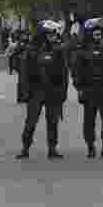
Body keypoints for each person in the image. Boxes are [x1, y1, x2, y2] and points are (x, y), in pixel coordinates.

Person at [16, 20, 69, 160]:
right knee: (31, 121)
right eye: (50, 34)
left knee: (53, 122)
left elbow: (64, 73)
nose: (54, 37)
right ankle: (25, 148)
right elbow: (24, 73)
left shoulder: (58, 50)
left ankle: (52, 149)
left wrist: (63, 92)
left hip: (53, 91)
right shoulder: (31, 50)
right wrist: (25, 93)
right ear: (43, 34)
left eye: (54, 34)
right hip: (36, 91)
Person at [72, 17, 103, 159]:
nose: (98, 36)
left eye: (100, 34)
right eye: (96, 34)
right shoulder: (82, 51)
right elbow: (76, 72)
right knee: (89, 121)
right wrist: (80, 88)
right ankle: (91, 146)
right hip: (89, 90)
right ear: (89, 34)